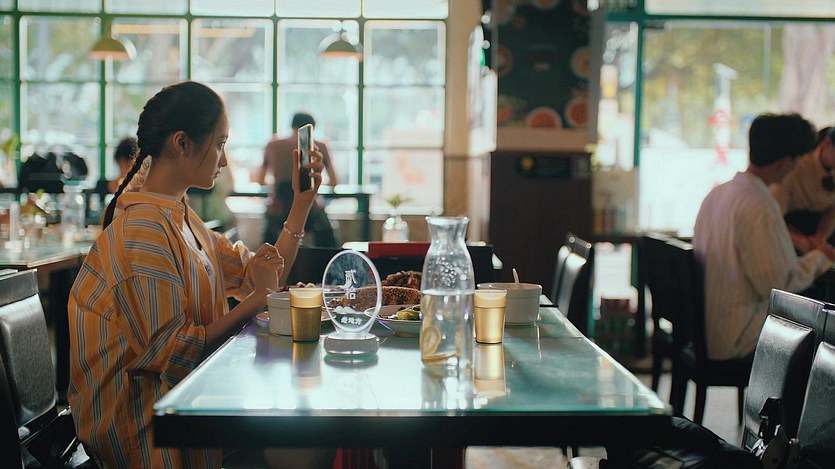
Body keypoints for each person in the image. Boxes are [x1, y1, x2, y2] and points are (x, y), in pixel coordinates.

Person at [68, 81, 333, 468]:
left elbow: (259, 273)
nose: (224, 160)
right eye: (220, 143)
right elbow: (176, 356)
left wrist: (301, 203)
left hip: (189, 409)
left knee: (310, 435)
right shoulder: (143, 230)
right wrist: (257, 301)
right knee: (308, 444)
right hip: (148, 436)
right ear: (181, 143)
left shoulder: (178, 215)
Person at [693, 113, 835, 361]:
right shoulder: (760, 205)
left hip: (708, 330)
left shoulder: (718, 194)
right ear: (785, 163)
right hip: (738, 338)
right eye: (799, 160)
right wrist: (821, 257)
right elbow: (782, 286)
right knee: (825, 337)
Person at [256, 112, 339, 247]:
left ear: (291, 126)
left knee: (269, 228)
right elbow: (334, 181)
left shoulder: (273, 145)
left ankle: (266, 255)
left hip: (278, 210)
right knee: (327, 233)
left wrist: (278, 185)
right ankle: (328, 258)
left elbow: (260, 180)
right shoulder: (319, 146)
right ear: (312, 129)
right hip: (310, 212)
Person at [770, 126, 835, 252]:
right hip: (786, 229)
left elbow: (832, 212)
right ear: (826, 143)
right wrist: (799, 241)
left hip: (822, 231)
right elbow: (772, 219)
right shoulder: (796, 166)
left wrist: (820, 237)